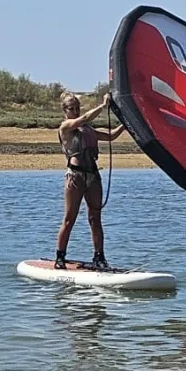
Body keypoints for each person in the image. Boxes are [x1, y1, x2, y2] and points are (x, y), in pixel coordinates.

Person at [55, 91, 125, 270]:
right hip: (75, 177)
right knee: (70, 218)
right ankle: (60, 257)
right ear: (65, 111)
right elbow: (85, 118)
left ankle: (99, 257)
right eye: (71, 109)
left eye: (77, 108)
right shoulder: (66, 127)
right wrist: (103, 105)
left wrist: (126, 124)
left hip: (93, 176)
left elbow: (111, 136)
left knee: (95, 218)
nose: (75, 111)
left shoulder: (88, 130)